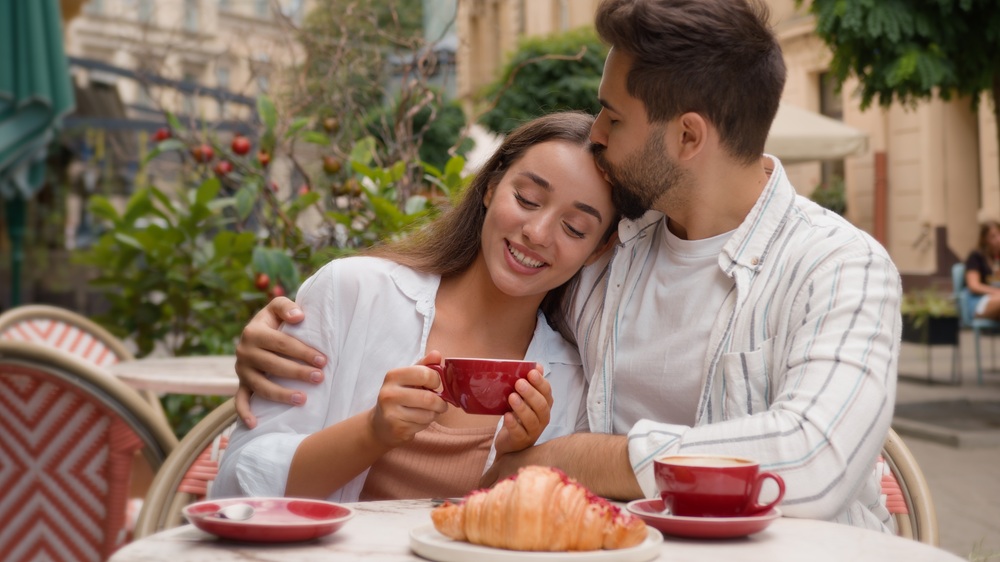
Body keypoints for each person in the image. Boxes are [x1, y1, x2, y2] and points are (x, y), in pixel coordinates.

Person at [229, 0, 902, 533]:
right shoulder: (610, 259)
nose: (598, 133)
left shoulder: (840, 267)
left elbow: (812, 460)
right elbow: (485, 279)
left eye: (613, 116)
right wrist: (279, 331)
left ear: (688, 136)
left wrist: (559, 456)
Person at [211, 111, 618, 502]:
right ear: (491, 187)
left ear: (597, 250)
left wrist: (515, 464)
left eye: (574, 228)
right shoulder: (351, 293)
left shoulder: (572, 383)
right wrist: (372, 432)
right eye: (527, 199)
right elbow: (238, 484)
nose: (538, 232)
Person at [964, 220, 1000, 319]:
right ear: (984, 239)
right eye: (993, 236)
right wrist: (996, 292)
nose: (998, 239)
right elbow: (974, 286)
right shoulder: (976, 256)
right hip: (979, 301)